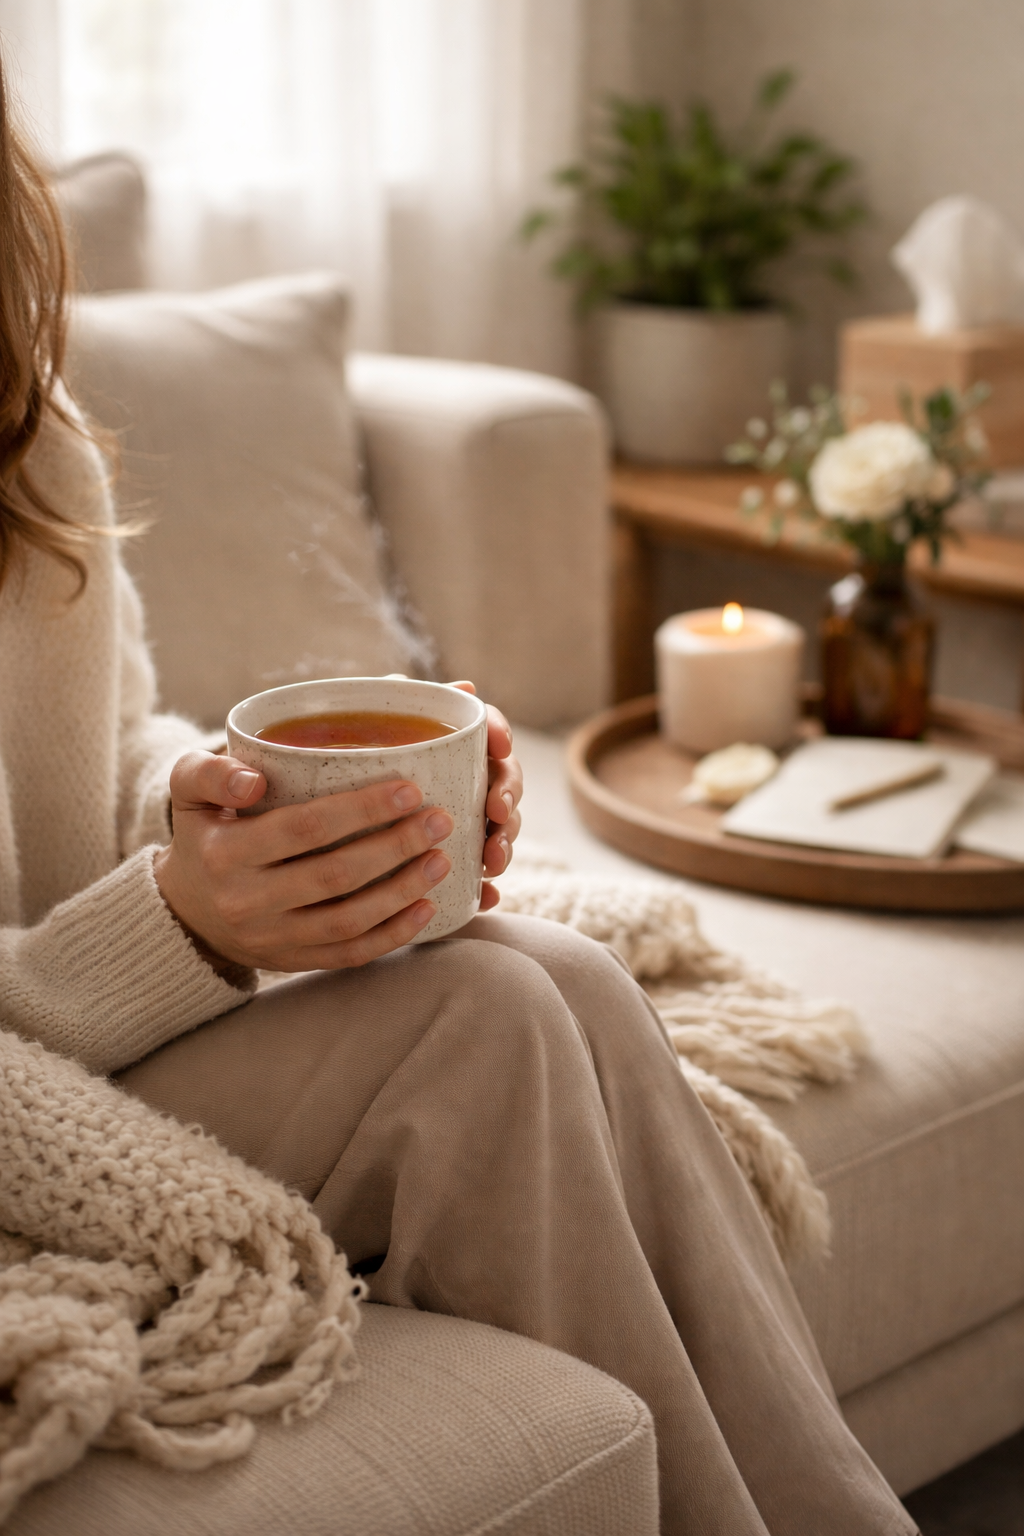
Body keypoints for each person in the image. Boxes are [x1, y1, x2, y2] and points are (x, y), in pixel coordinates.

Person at [0, 57, 916, 1536]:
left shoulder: (23, 437)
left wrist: (224, 816)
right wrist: (170, 934)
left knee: (558, 975)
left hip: (67, 1033)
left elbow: (98, 754)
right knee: (482, 1026)